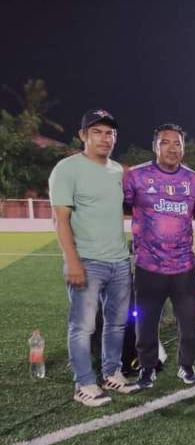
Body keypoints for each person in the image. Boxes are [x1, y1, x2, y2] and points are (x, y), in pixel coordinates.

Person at [49, 109, 140, 406]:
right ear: (83, 135)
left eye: (110, 132)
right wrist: (72, 261)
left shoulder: (117, 171)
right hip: (87, 261)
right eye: (97, 131)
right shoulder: (67, 168)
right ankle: (84, 384)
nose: (105, 138)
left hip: (119, 261)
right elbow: (60, 219)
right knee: (83, 326)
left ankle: (111, 373)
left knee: (115, 324)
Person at [123, 123, 195, 388]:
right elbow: (122, 208)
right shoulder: (135, 176)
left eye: (177, 143)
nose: (172, 148)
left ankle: (187, 366)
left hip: (183, 267)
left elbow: (194, 213)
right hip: (149, 267)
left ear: (183, 148)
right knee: (145, 325)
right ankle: (147, 368)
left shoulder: (193, 180)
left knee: (189, 325)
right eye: (165, 142)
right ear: (155, 146)